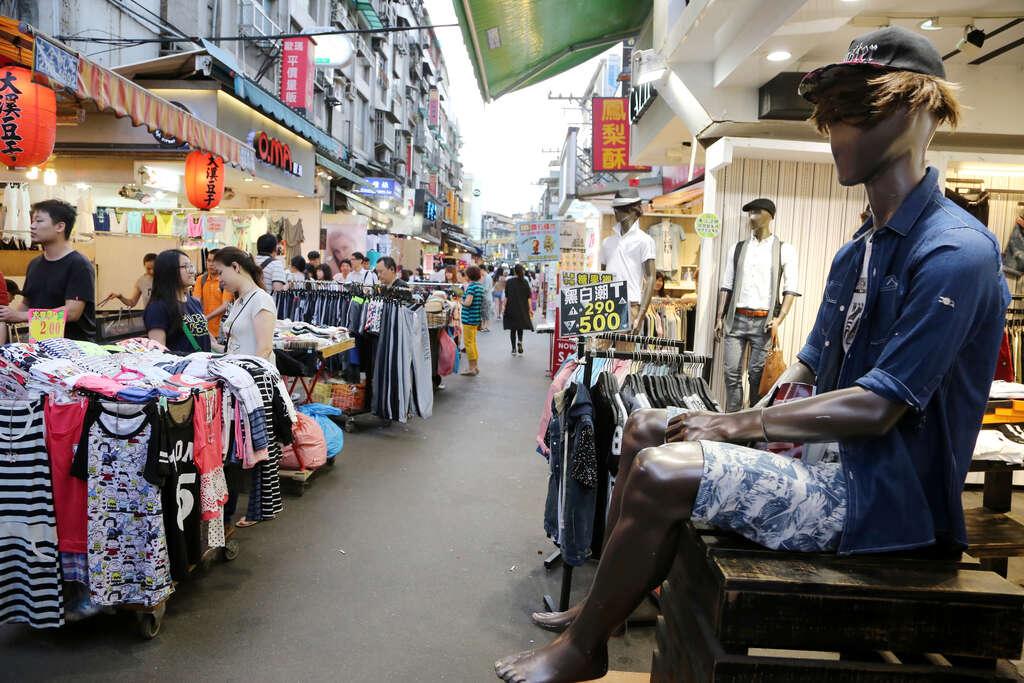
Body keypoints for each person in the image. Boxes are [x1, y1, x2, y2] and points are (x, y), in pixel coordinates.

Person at [497, 26, 1007, 682]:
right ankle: (604, 609)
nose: (835, 132)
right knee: (650, 424)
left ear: (914, 110)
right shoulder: (862, 247)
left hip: (881, 500)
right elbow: (812, 360)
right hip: (825, 462)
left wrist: (736, 424)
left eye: (856, 111)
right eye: (831, 115)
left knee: (662, 470)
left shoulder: (955, 251)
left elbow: (880, 404)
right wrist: (750, 416)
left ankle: (586, 646)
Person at [716, 197, 801, 411]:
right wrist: (719, 317)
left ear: (770, 216)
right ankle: (733, 421)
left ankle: (751, 421)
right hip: (735, 320)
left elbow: (791, 288)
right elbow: (726, 285)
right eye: (749, 213)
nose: (751, 217)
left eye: (756, 212)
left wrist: (779, 320)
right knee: (731, 373)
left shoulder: (784, 249)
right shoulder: (737, 248)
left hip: (763, 322)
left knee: (756, 376)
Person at [0, 199, 96, 341]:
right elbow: (27, 302)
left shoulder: (79, 264)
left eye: (39, 221)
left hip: (74, 350)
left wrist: (20, 316)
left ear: (60, 226)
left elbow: (72, 312)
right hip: (41, 347)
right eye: (32, 221)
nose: (32, 226)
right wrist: (9, 315)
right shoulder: (34, 264)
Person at [212, 247, 276, 361]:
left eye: (220, 273)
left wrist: (246, 375)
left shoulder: (260, 299)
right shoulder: (239, 301)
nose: (219, 279)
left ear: (235, 267)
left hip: (252, 376)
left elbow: (265, 349)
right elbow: (237, 347)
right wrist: (213, 345)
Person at [143, 250, 211, 354]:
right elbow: (157, 353)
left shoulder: (194, 302)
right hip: (181, 369)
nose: (192, 271)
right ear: (169, 271)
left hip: (203, 366)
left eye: (191, 266)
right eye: (185, 267)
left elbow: (204, 338)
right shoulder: (157, 307)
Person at [193, 249, 233, 340]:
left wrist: (206, 318)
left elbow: (225, 305)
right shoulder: (201, 279)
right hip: (204, 330)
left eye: (214, 261)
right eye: (209, 260)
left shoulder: (225, 280)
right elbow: (196, 301)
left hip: (221, 330)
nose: (211, 264)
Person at [460, 265, 485, 376]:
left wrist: (461, 301)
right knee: (473, 343)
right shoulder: (479, 286)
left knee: (468, 344)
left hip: (468, 319)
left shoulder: (471, 287)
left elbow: (468, 302)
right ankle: (475, 367)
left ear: (469, 275)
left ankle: (471, 368)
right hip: (475, 319)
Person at [504, 264, 533, 356]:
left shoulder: (509, 282)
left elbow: (506, 297)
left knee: (513, 329)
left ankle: (513, 349)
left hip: (511, 307)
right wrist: (530, 309)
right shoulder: (525, 281)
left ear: (514, 271)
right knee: (520, 327)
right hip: (522, 308)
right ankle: (520, 341)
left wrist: (504, 308)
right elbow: (529, 297)